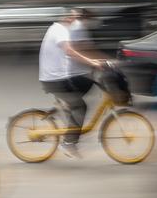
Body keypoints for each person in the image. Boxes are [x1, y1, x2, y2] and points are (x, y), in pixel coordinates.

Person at [39, 8, 109, 159]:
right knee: (81, 106)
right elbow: (70, 51)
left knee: (86, 84)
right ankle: (68, 143)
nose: (75, 20)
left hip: (60, 78)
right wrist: (92, 62)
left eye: (76, 17)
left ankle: (63, 106)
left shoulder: (60, 29)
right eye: (72, 17)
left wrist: (95, 61)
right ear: (65, 18)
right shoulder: (60, 30)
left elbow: (79, 49)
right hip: (55, 80)